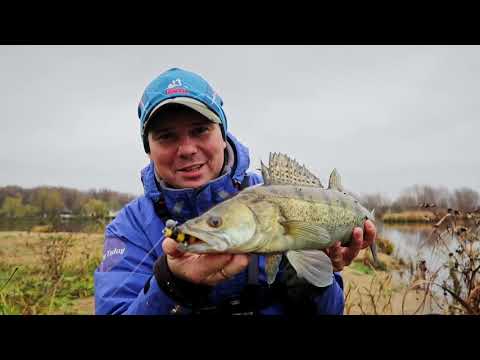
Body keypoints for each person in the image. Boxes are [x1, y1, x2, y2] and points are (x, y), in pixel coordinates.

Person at [94, 67, 377, 315]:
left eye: (201, 130)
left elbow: (332, 309)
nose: (188, 149)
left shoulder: (268, 193)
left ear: (222, 132)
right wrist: (170, 284)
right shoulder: (127, 229)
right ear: (149, 149)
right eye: (166, 136)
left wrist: (311, 281)